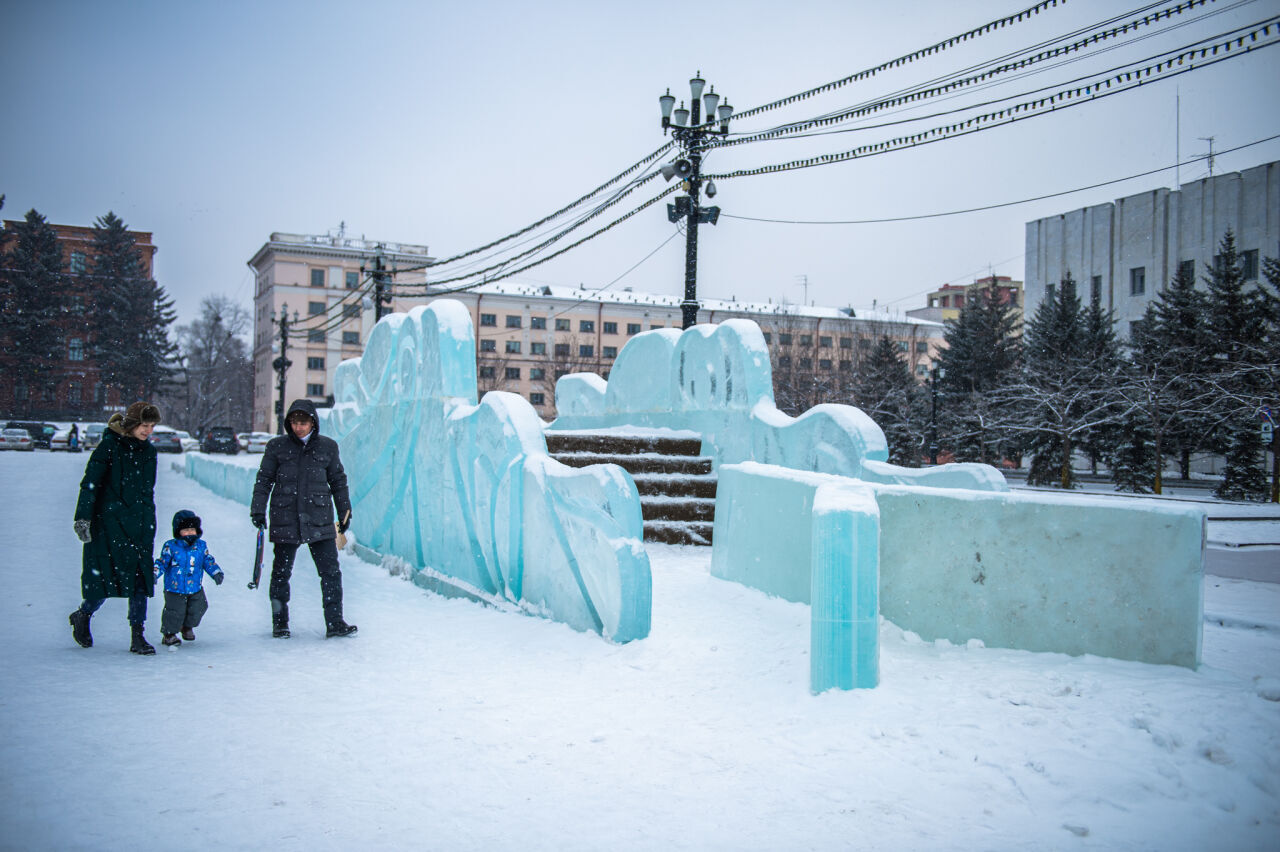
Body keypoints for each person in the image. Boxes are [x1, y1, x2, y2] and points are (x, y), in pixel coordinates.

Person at [250, 399, 355, 639]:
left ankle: (335, 622)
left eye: (304, 422)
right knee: (281, 573)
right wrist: (258, 509)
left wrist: (344, 511)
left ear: (313, 423)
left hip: (319, 517)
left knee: (330, 572)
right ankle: (280, 622)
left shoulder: (328, 447)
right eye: (295, 422)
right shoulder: (277, 447)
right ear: (289, 423)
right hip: (285, 516)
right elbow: (264, 479)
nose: (299, 427)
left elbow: (338, 481)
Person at [69, 401, 162, 655]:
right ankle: (84, 614)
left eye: (152, 426)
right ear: (132, 424)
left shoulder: (149, 452)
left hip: (140, 524)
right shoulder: (109, 447)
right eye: (145, 425)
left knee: (139, 581)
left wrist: (148, 520)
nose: (148, 431)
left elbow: (147, 491)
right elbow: (90, 484)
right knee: (105, 579)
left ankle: (138, 636)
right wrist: (83, 518)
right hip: (109, 525)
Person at [154, 509, 224, 647]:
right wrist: (154, 574)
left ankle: (186, 627)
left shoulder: (200, 546)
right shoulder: (171, 546)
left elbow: (207, 560)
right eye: (185, 530)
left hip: (195, 587)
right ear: (178, 531)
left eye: (192, 529)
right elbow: (162, 562)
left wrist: (216, 572)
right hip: (175, 587)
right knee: (174, 612)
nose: (189, 533)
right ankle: (169, 634)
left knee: (199, 607)